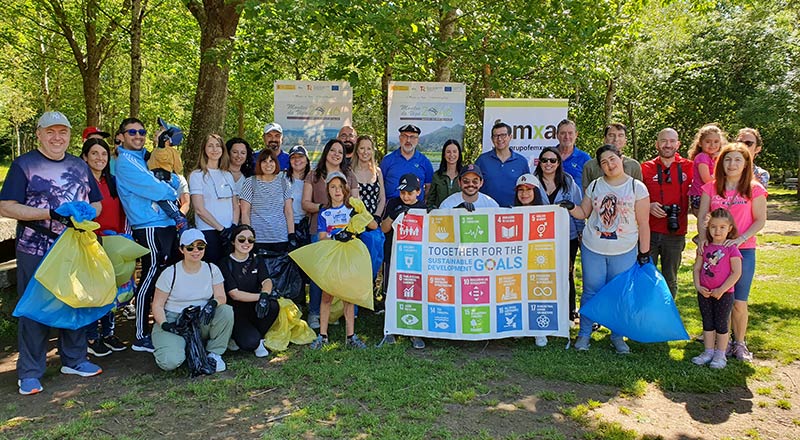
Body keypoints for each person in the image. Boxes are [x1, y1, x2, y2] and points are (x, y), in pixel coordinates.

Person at [0, 111, 104, 395]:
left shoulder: (79, 166)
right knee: (35, 307)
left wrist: (86, 213)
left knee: (75, 300)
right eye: (50, 132)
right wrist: (49, 213)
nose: (57, 138)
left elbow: (97, 203)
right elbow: (6, 206)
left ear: (69, 135)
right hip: (35, 247)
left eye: (63, 132)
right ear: (39, 134)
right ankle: (30, 372)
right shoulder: (24, 165)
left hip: (73, 246)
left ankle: (74, 358)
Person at [562, 145, 651, 354]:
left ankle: (618, 336)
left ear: (621, 158)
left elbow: (644, 223)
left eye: (612, 159)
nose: (609, 165)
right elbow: (584, 212)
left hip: (624, 249)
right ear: (600, 166)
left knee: (619, 293)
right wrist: (570, 207)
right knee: (591, 290)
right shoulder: (595, 186)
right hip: (594, 247)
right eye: (604, 162)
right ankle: (584, 334)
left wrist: (644, 253)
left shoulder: (637, 188)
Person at [696, 143, 767, 363]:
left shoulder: (754, 189)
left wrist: (739, 239)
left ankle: (740, 343)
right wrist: (703, 240)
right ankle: (719, 347)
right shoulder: (711, 187)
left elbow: (760, 220)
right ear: (720, 163)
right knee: (717, 296)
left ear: (746, 163)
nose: (732, 164)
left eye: (738, 159)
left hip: (742, 251)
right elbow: (702, 217)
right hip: (715, 252)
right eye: (727, 159)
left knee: (738, 300)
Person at [115, 117, 181, 352]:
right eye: (131, 132)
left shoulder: (146, 157)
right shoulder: (125, 162)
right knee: (151, 275)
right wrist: (169, 188)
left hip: (166, 224)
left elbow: (174, 178)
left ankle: (166, 324)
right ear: (121, 137)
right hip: (147, 225)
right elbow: (154, 186)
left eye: (141, 131)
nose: (138, 135)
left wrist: (169, 183)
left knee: (169, 274)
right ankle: (141, 335)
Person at [151, 229, 233, 372]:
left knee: (225, 311)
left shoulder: (212, 269)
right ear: (182, 249)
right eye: (190, 247)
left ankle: (214, 353)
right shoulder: (170, 273)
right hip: (174, 319)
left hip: (201, 317)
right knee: (170, 362)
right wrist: (165, 325)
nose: (196, 251)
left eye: (200, 246)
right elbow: (157, 305)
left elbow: (221, 297)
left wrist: (213, 304)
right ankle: (174, 346)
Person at [309, 172, 374, 350]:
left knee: (348, 297)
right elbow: (322, 237)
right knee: (327, 296)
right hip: (332, 258)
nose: (337, 190)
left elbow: (373, 225)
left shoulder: (352, 210)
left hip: (350, 259)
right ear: (327, 190)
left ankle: (350, 336)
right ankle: (323, 335)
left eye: (340, 187)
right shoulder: (324, 213)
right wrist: (337, 237)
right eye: (333, 187)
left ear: (346, 190)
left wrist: (363, 211)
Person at [301, 139, 359, 328]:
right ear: (326, 152)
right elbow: (305, 204)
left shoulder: (349, 175)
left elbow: (356, 204)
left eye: (340, 152)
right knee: (319, 275)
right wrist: (325, 209)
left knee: (343, 274)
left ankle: (344, 313)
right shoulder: (313, 175)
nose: (336, 154)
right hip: (319, 231)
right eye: (333, 150)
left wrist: (341, 211)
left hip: (345, 234)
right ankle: (315, 313)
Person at [80, 138, 128, 357]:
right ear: (84, 157)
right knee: (94, 290)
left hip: (114, 242)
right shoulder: (81, 184)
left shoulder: (113, 182)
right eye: (94, 154)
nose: (99, 158)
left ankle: (108, 333)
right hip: (91, 243)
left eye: (104, 154)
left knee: (112, 290)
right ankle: (92, 336)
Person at [640, 128, 692, 298]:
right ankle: (647, 316)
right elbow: (633, 197)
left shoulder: (689, 167)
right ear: (657, 144)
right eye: (663, 141)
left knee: (670, 279)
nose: (667, 145)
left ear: (678, 144)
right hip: (650, 232)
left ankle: (668, 319)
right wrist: (648, 206)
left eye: (671, 141)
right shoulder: (645, 168)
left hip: (676, 232)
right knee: (647, 277)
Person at [378, 173, 427, 349]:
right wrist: (393, 215)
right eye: (403, 192)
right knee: (391, 291)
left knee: (415, 292)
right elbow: (383, 229)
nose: (406, 196)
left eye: (410, 193)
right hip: (392, 254)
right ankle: (390, 328)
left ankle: (414, 332)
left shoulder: (423, 207)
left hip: (415, 259)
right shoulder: (393, 203)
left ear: (418, 192)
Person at [533, 147, 582, 321]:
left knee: (566, 274)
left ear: (559, 163)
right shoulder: (532, 181)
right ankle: (543, 311)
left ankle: (569, 314)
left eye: (552, 160)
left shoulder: (568, 181)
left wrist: (580, 232)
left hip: (567, 237)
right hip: (539, 238)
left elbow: (578, 208)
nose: (548, 164)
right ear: (539, 163)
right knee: (541, 274)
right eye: (544, 160)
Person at [691, 208, 742, 370]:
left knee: (721, 324)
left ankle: (720, 354)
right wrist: (698, 286)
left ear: (730, 229)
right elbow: (697, 268)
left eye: (722, 227)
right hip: (704, 292)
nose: (717, 231)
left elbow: (736, 272)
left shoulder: (731, 248)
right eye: (713, 227)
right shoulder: (704, 247)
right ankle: (708, 351)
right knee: (707, 322)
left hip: (724, 294)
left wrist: (721, 289)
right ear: (708, 228)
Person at [218, 224, 279, 358]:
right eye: (241, 239)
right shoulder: (225, 263)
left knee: (273, 305)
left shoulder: (257, 259)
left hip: (255, 308)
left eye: (250, 240)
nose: (246, 243)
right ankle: (239, 336)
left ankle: (260, 337)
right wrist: (261, 297)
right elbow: (234, 294)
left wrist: (265, 295)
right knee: (250, 343)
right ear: (233, 241)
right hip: (236, 312)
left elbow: (267, 281)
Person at [189, 134, 238, 263]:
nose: (214, 149)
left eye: (218, 146)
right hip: (208, 232)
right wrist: (220, 229)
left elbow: (235, 205)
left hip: (229, 232)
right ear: (204, 149)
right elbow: (199, 209)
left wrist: (233, 226)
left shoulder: (228, 175)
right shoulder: (197, 175)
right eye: (210, 146)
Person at [240, 149, 295, 253]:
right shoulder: (250, 182)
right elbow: (245, 212)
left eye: (271, 161)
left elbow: (288, 211)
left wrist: (291, 235)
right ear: (259, 163)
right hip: (258, 238)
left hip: (280, 237)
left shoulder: (284, 183)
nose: (268, 164)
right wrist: (248, 236)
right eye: (264, 161)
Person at [475, 122, 530, 207]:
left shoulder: (521, 162)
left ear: (510, 137)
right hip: (487, 211)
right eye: (496, 136)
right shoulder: (482, 160)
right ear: (492, 139)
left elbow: (527, 188)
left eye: (503, 135)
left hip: (513, 212)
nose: (499, 139)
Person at [581, 123, 642, 192]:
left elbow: (638, 193)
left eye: (620, 135)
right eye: (611, 135)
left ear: (625, 141)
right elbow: (586, 193)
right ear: (605, 139)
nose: (616, 139)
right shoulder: (590, 166)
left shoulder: (634, 165)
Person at [380, 124, 434, 201]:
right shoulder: (387, 160)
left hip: (415, 209)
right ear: (400, 138)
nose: (408, 140)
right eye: (405, 136)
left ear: (417, 140)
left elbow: (428, 187)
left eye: (412, 137)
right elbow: (380, 185)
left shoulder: (425, 162)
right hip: (391, 208)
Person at [687, 124, 725, 213]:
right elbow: (707, 180)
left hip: (710, 194)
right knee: (708, 223)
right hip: (700, 196)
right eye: (708, 141)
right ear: (700, 143)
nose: (712, 145)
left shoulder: (715, 157)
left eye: (716, 142)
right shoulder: (702, 157)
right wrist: (723, 177)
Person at [352, 135, 386, 218]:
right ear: (357, 150)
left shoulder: (377, 172)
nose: (365, 152)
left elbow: (382, 198)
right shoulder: (350, 172)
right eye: (362, 148)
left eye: (369, 148)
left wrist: (377, 216)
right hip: (356, 218)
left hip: (374, 219)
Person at [286, 145, 311, 246]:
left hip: (306, 228)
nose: (297, 160)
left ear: (307, 160)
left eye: (300, 156)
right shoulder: (282, 178)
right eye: (293, 157)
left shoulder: (313, 180)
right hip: (285, 226)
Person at [427, 139, 463, 210]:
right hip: (441, 217)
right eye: (448, 152)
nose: (451, 155)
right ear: (444, 154)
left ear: (459, 154)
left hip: (459, 216)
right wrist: (431, 208)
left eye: (454, 152)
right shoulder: (437, 176)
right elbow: (431, 200)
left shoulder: (464, 175)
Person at [555, 119, 591, 187]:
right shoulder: (549, 156)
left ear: (576, 135)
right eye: (563, 133)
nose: (567, 137)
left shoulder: (584, 158)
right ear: (557, 135)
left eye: (570, 133)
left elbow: (593, 184)